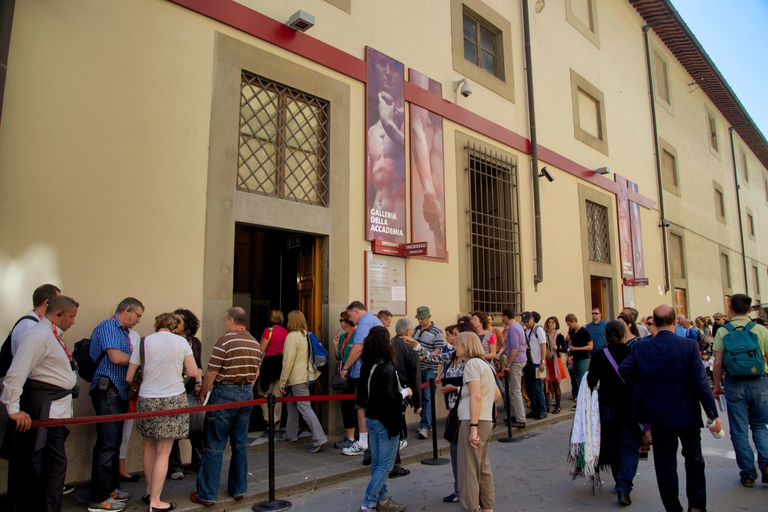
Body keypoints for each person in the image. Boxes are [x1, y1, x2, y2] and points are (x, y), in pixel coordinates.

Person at [619, 305, 720, 512]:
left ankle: (673, 508)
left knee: (665, 465)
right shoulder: (689, 346)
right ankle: (697, 506)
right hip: (686, 413)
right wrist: (712, 414)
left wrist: (643, 386)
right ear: (675, 322)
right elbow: (701, 384)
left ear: (653, 323)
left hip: (657, 414)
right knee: (694, 459)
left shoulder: (642, 347)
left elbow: (624, 371)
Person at [0, 296, 78, 512]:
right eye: (71, 317)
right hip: (45, 408)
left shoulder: (52, 335)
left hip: (56, 407)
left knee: (53, 466)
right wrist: (14, 409)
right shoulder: (38, 335)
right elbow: (16, 372)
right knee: (47, 465)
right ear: (58, 314)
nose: (73, 322)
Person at [126, 313, 200, 512]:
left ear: (156, 325)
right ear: (174, 327)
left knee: (148, 446)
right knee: (163, 452)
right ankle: (156, 501)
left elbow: (129, 376)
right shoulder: (181, 342)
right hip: (172, 397)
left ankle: (149, 491)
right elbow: (193, 371)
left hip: (146, 398)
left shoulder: (143, 342)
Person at [191, 307, 262, 506]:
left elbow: (212, 372)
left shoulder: (225, 340)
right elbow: (256, 373)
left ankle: (207, 494)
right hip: (246, 393)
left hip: (225, 393)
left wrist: (204, 391)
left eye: (225, 321)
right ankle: (238, 489)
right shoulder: (255, 343)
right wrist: (245, 388)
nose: (225, 324)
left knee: (214, 444)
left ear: (231, 320)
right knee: (240, 444)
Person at [89, 297, 144, 511]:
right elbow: (115, 357)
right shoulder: (108, 326)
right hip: (108, 391)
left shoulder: (123, 332)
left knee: (113, 443)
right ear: (127, 310)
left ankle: (110, 488)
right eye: (137, 315)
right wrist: (138, 360)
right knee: (107, 444)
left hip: (118, 393)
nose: (138, 320)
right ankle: (99, 498)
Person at [403, 324, 465, 503]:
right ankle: (458, 490)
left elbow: (480, 387)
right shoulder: (452, 356)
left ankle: (473, 492)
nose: (453, 341)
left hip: (467, 414)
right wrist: (416, 344)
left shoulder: (474, 362)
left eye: (457, 338)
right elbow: (432, 357)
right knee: (454, 453)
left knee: (469, 458)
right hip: (453, 413)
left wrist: (456, 387)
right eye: (453, 337)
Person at [712, 293, 768, 487]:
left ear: (730, 308)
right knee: (760, 425)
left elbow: (717, 362)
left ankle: (748, 473)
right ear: (750, 309)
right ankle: (766, 463)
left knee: (739, 429)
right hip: (759, 381)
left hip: (734, 382)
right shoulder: (761, 329)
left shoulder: (722, 331)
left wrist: (717, 385)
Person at [587, 320, 642, 507]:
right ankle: (624, 486)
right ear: (623, 334)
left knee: (614, 445)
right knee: (631, 446)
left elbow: (591, 381)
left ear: (605, 334)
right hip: (628, 405)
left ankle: (620, 481)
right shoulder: (631, 352)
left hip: (607, 405)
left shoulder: (599, 356)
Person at [356, 326, 410, 512]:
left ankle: (383, 500)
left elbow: (361, 396)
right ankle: (368, 503)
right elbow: (391, 400)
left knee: (378, 464)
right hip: (386, 421)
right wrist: (405, 392)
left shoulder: (366, 365)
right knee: (386, 465)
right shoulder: (387, 368)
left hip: (371, 418)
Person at [456, 332, 501, 512]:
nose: (455, 346)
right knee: (482, 466)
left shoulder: (472, 365)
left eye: (458, 343)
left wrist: (473, 427)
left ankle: (471, 508)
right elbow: (496, 394)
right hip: (485, 420)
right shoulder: (485, 364)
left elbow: (476, 396)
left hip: (472, 421)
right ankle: (487, 507)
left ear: (467, 345)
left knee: (468, 470)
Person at [277, 310, 327, 453]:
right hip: (306, 376)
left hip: (297, 378)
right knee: (291, 403)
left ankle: (319, 438)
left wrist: (282, 381)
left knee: (305, 407)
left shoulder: (292, 337)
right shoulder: (306, 334)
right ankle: (291, 434)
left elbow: (288, 361)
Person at [341, 301, 383, 456]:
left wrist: (345, 368)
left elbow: (359, 348)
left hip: (363, 373)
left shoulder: (365, 323)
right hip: (373, 370)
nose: (350, 319)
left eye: (350, 315)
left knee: (360, 406)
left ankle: (363, 442)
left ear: (356, 311)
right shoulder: (374, 321)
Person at [167, 308, 204, 479]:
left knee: (196, 427)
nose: (174, 324)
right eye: (173, 320)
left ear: (187, 325)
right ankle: (175, 467)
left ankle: (198, 462)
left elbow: (198, 365)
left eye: (178, 321)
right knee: (173, 428)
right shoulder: (169, 340)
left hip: (190, 389)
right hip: (173, 387)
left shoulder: (195, 342)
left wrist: (199, 382)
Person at [388, 318, 422, 478]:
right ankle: (395, 464)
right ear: (408, 331)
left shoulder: (390, 344)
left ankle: (393, 461)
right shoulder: (411, 347)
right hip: (404, 390)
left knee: (395, 426)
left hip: (390, 391)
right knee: (398, 428)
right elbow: (416, 375)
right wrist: (418, 402)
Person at [412, 306, 444, 439]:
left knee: (427, 396)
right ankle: (425, 423)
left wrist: (425, 356)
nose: (420, 321)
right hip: (418, 368)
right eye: (419, 318)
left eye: (422, 318)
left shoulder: (437, 332)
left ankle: (425, 425)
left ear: (429, 318)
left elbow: (438, 350)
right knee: (419, 396)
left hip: (430, 368)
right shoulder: (416, 330)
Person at [9, 283, 61, 357]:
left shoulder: (39, 321)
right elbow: (26, 358)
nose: (61, 306)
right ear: (47, 302)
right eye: (58, 302)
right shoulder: (29, 326)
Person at [257, 309, 288, 431]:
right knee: (277, 396)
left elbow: (261, 349)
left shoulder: (268, 331)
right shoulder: (286, 332)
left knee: (263, 394)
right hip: (280, 363)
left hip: (268, 365)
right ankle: (276, 427)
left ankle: (272, 419)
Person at [334, 310, 357, 449]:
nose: (340, 323)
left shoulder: (357, 335)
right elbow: (339, 357)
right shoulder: (343, 337)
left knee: (349, 405)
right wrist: (336, 346)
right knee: (347, 405)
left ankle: (352, 437)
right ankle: (352, 436)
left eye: (341, 320)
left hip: (354, 375)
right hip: (343, 374)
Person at [502, 308, 527, 428]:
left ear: (505, 316)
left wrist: (508, 364)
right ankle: (516, 415)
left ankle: (521, 418)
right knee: (513, 389)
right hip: (520, 359)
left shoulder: (513, 327)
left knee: (515, 390)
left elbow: (515, 348)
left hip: (516, 361)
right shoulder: (518, 326)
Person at [521, 312, 547, 420]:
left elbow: (543, 346)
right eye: (524, 322)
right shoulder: (525, 331)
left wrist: (542, 361)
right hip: (528, 363)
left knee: (538, 387)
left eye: (527, 321)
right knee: (529, 387)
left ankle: (542, 410)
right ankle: (534, 409)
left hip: (537, 363)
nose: (526, 324)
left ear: (532, 319)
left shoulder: (538, 330)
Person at [565, 313, 592, 402]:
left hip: (584, 358)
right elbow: (572, 343)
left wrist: (578, 349)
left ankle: (585, 399)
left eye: (569, 323)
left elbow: (590, 346)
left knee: (581, 379)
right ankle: (581, 398)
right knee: (576, 379)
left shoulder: (585, 332)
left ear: (574, 321)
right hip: (575, 358)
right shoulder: (572, 332)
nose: (568, 325)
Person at [544, 316, 567, 414]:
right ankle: (547, 405)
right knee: (546, 385)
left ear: (556, 324)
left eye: (553, 322)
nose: (550, 324)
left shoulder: (560, 336)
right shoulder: (545, 335)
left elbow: (566, 349)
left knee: (556, 385)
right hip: (547, 362)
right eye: (549, 322)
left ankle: (558, 406)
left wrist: (557, 349)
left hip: (556, 362)